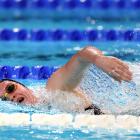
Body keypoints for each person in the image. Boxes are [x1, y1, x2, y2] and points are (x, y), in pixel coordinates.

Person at [0, 46, 132, 114]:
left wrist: (98, 59)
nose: (11, 96)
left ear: (23, 86)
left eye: (10, 88)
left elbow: (82, 56)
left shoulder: (53, 88)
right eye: (4, 98)